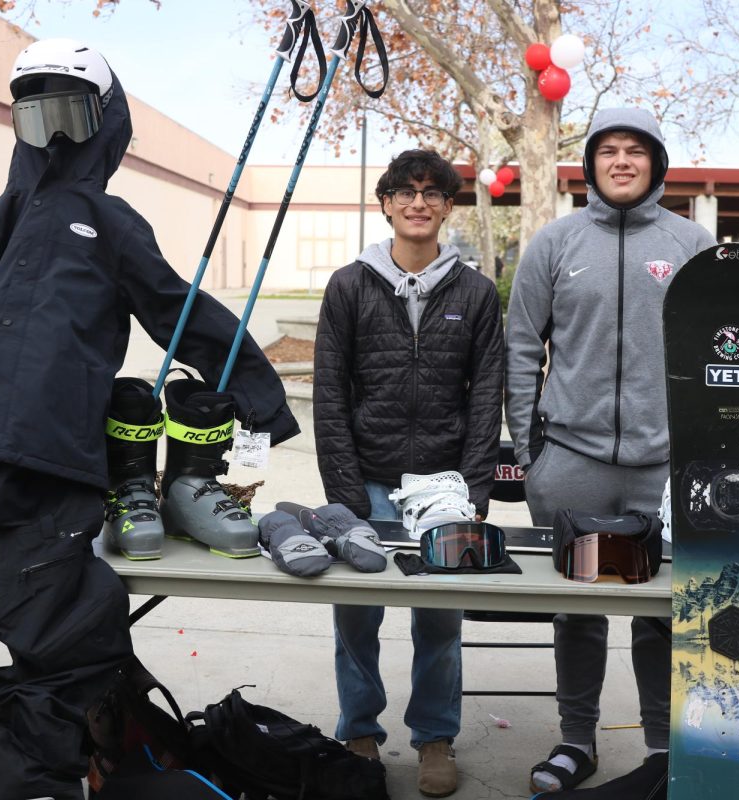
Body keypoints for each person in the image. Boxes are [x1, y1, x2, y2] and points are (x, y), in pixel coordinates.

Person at [0, 40, 298, 800]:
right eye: (36, 117)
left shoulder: (108, 220)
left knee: (56, 695)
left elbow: (177, 308)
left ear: (106, 125)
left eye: (72, 116)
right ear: (17, 126)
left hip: (47, 494)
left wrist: (255, 399)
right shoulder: (1, 219)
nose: (54, 137)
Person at [505, 108, 716, 793]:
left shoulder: (691, 242)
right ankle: (576, 741)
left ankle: (661, 749)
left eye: (636, 151)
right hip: (573, 460)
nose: (622, 161)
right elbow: (520, 346)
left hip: (665, 465)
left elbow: (720, 347)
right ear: (590, 162)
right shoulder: (556, 243)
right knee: (579, 606)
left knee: (664, 610)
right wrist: (530, 447)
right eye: (609, 150)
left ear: (656, 164)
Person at [313, 148, 504, 797]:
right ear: (386, 203)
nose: (419, 202)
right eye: (405, 191)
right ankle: (359, 731)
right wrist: (344, 493)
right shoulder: (349, 285)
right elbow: (329, 393)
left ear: (448, 206)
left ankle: (435, 738)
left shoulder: (475, 293)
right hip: (366, 478)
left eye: (432, 192)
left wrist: (473, 489)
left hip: (444, 487)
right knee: (356, 616)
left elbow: (487, 397)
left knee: (439, 621)